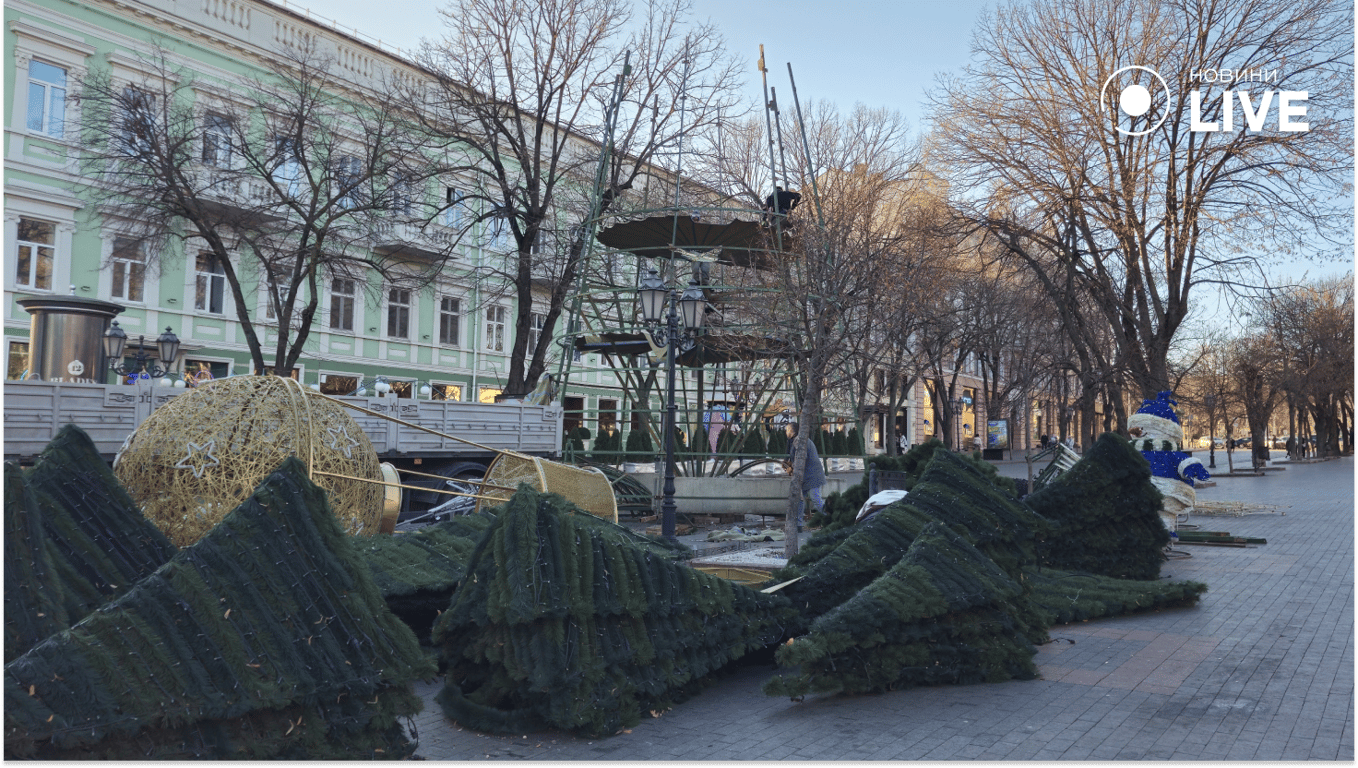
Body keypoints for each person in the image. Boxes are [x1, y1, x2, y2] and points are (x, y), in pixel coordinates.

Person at [787, 425, 825, 532]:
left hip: (812, 475)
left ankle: (829, 519)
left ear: (792, 431)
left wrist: (792, 468)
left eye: (787, 429)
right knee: (800, 498)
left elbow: (801, 459)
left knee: (815, 499)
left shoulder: (799, 441)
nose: (786, 431)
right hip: (807, 475)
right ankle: (798, 524)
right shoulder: (799, 440)